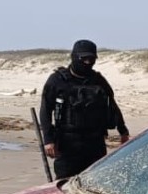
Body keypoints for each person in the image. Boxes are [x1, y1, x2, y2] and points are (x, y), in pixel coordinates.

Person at [38, 39, 130, 179]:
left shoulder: (98, 80)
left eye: (91, 59)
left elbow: (112, 104)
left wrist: (123, 131)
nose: (88, 62)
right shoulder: (57, 80)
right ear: (74, 57)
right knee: (65, 182)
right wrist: (48, 139)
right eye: (84, 58)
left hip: (95, 142)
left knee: (95, 180)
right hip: (67, 142)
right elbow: (45, 110)